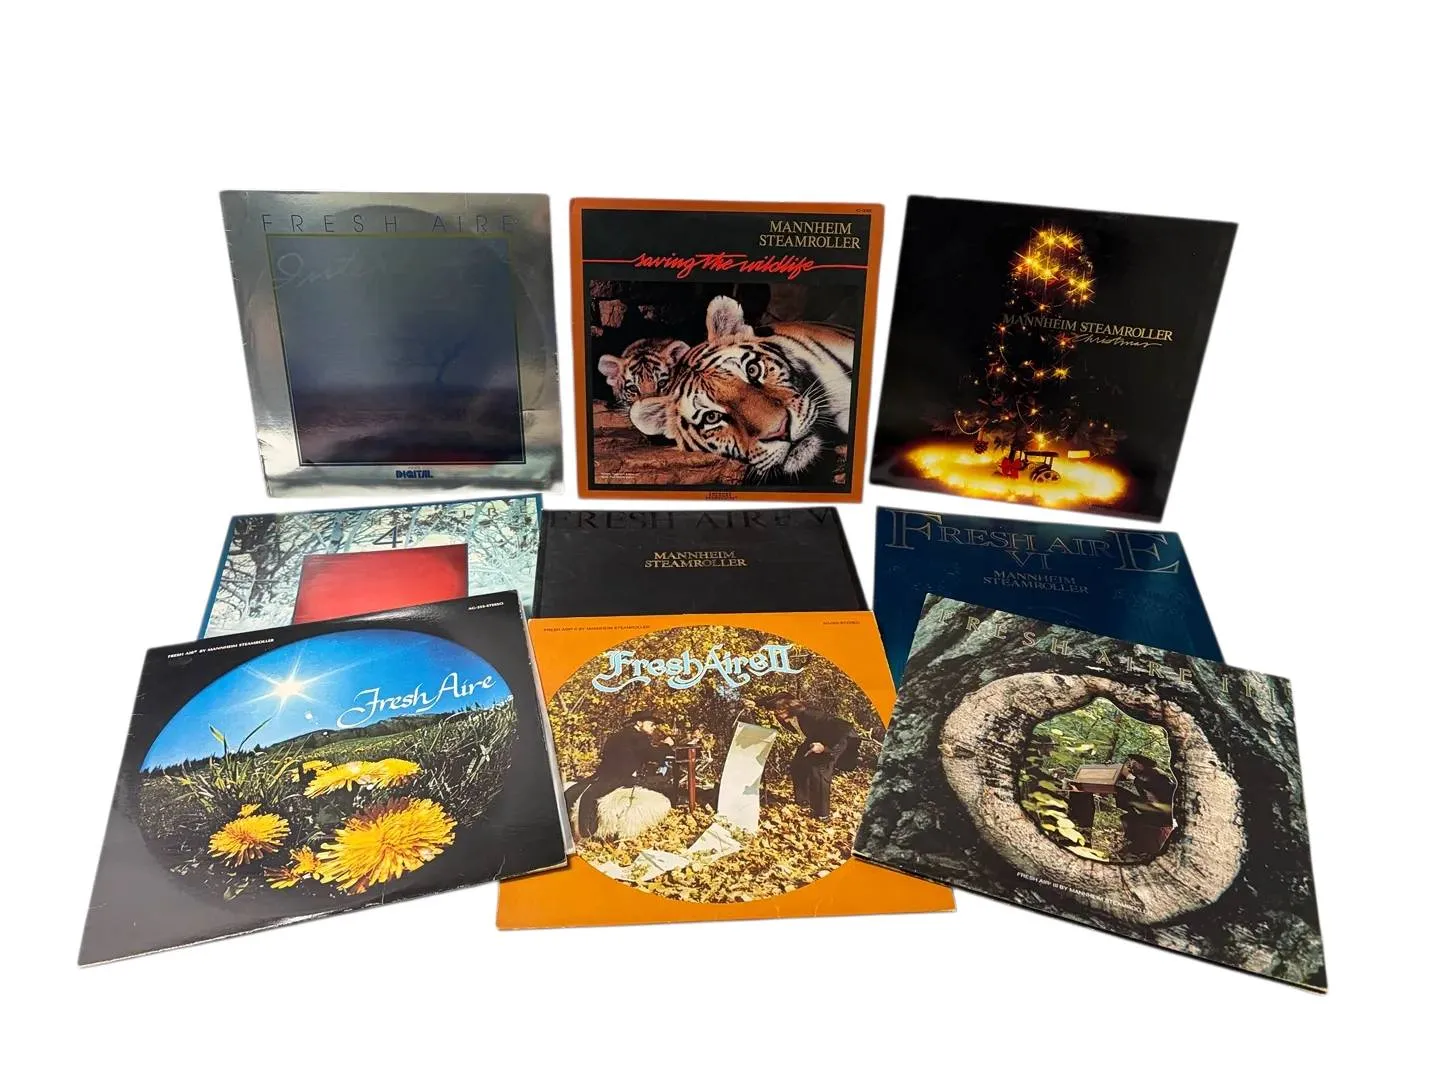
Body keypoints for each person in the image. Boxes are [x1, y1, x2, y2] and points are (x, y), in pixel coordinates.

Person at [567, 711, 674, 838]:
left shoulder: (619, 735)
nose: (654, 726)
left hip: (604, 773)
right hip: (619, 777)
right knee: (591, 795)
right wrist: (666, 745)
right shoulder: (639, 738)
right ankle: (586, 832)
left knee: (578, 791)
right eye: (651, 723)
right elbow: (652, 755)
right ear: (639, 723)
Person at [765, 693, 853, 821]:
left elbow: (844, 727)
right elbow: (773, 699)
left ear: (790, 708)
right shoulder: (786, 717)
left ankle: (822, 815)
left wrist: (825, 748)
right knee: (797, 764)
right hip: (815, 739)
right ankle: (803, 802)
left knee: (819, 772)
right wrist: (755, 702)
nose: (776, 714)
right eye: (775, 711)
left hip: (837, 740)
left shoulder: (810, 714)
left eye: (779, 711)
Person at [1114, 753, 1177, 857]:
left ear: (1142, 764)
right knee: (1126, 812)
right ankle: (1133, 844)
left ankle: (1140, 848)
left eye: (1134, 763)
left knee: (1135, 820)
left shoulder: (1159, 777)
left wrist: (1131, 777)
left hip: (1164, 814)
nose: (1131, 766)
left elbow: (1157, 794)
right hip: (1153, 810)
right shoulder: (1142, 778)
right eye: (1131, 763)